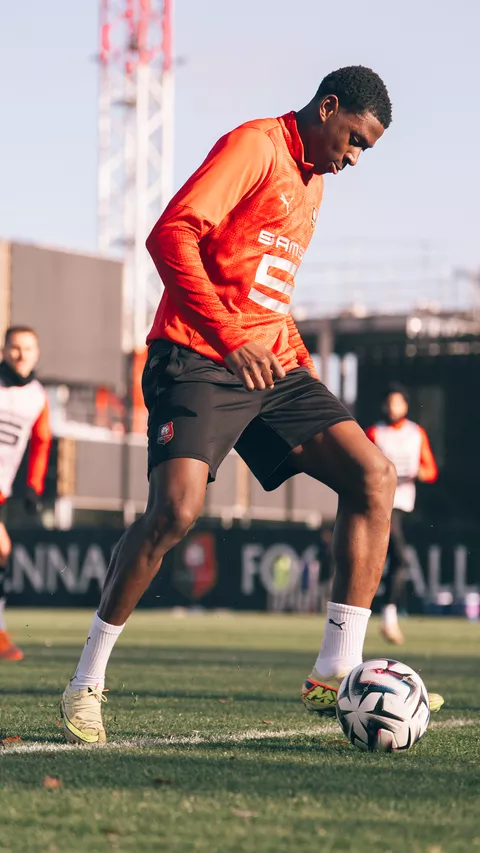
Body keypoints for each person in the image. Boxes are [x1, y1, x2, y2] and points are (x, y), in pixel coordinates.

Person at [60, 66, 442, 744]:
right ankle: (85, 680)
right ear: (328, 109)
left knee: (373, 476)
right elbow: (169, 233)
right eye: (353, 139)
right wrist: (232, 338)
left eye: (364, 151)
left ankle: (335, 671)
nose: (352, 158)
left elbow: (265, 288)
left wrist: (291, 350)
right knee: (175, 511)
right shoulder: (255, 146)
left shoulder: (316, 184)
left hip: (268, 362)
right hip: (197, 355)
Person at [366, 383, 438, 644]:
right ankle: (387, 615)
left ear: (405, 406)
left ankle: (386, 613)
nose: (392, 408)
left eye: (397, 402)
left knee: (393, 559)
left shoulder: (416, 433)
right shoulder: (375, 432)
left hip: (404, 503)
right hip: (381, 504)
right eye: (388, 403)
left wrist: (421, 473)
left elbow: (430, 470)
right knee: (398, 557)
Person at [0, 326, 51, 660]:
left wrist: (34, 485)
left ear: (37, 353)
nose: (21, 354)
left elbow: (42, 441)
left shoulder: (37, 396)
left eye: (28, 349)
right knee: (2, 549)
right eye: (15, 347)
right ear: (4, 350)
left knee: (2, 553)